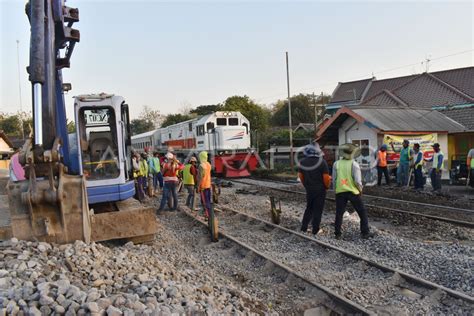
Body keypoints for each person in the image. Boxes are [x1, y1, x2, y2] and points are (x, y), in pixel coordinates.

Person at [332, 143, 374, 240]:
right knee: (362, 212)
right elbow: (357, 181)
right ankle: (365, 232)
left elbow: (334, 180)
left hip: (340, 192)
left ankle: (337, 233)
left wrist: (336, 190)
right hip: (352, 192)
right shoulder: (354, 164)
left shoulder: (336, 164)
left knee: (339, 213)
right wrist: (360, 190)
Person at [298, 143, 331, 236]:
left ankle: (304, 227)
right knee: (318, 209)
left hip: (309, 189)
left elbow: (301, 176)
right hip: (320, 189)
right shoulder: (322, 162)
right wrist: (327, 186)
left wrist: (306, 185)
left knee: (309, 208)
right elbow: (326, 178)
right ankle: (315, 229)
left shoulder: (303, 162)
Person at [198, 151, 212, 218]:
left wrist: (198, 186)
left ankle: (207, 214)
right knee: (208, 200)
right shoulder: (208, 164)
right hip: (208, 185)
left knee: (204, 200)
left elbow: (200, 177)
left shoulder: (201, 166)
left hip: (203, 186)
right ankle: (209, 213)